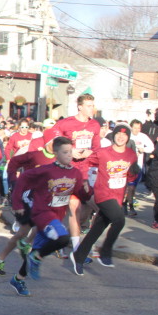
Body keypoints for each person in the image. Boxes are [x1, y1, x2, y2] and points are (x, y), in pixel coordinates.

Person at [8, 137, 91, 296]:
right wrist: (17, 204)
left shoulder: (75, 173)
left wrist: (88, 190)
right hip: (43, 213)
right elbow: (24, 179)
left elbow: (81, 193)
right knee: (63, 238)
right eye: (64, 152)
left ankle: (18, 279)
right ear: (56, 153)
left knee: (37, 249)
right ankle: (35, 257)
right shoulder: (45, 170)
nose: (68, 155)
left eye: (70, 152)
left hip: (57, 216)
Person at [0, 128, 59, 276]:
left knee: (25, 231)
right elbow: (14, 162)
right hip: (29, 195)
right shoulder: (34, 155)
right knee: (33, 227)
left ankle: (3, 256)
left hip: (45, 197)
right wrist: (13, 180)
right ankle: (17, 251)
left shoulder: (59, 159)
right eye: (53, 141)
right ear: (47, 142)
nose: (56, 144)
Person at [71, 124, 138, 273]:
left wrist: (134, 173)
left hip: (118, 196)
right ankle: (105, 252)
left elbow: (131, 177)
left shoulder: (131, 155)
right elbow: (86, 162)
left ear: (128, 137)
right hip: (103, 194)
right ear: (113, 136)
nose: (121, 137)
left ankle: (79, 256)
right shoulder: (103, 153)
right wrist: (84, 180)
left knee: (97, 229)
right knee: (120, 220)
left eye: (125, 135)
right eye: (118, 134)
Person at [53, 93, 101, 255]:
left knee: (93, 209)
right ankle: (76, 248)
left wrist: (89, 153)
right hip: (68, 172)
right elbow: (54, 144)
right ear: (80, 106)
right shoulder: (65, 124)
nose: (91, 108)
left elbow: (97, 149)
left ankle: (65, 237)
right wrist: (70, 152)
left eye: (92, 105)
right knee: (74, 207)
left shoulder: (95, 125)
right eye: (88, 105)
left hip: (86, 173)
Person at [124, 119, 154, 216]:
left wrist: (143, 149)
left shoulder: (143, 136)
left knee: (133, 187)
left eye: (138, 128)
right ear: (131, 127)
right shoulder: (128, 136)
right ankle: (127, 205)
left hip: (138, 166)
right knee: (129, 187)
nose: (137, 130)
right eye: (135, 127)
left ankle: (128, 202)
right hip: (127, 166)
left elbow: (151, 147)